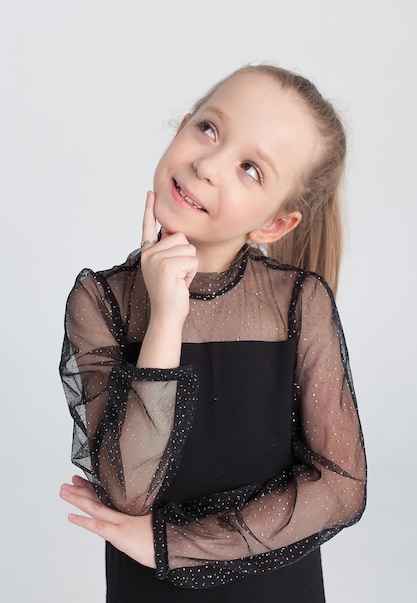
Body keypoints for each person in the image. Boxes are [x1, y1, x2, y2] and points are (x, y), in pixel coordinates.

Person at [59, 64, 366, 602]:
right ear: (182, 126)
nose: (208, 165)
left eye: (250, 168)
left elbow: (341, 486)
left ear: (274, 224)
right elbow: (128, 492)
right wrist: (166, 320)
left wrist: (172, 544)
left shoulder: (299, 303)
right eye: (208, 129)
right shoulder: (100, 300)